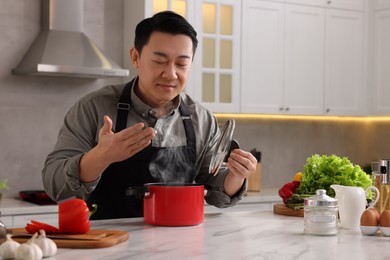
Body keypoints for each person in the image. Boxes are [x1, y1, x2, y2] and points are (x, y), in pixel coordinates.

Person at [42, 11, 257, 219]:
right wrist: (100, 157)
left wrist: (236, 175)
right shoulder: (92, 108)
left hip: (178, 243)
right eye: (160, 61)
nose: (171, 74)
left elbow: (215, 190)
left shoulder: (201, 119)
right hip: (108, 244)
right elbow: (54, 186)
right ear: (136, 57)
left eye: (182, 63)